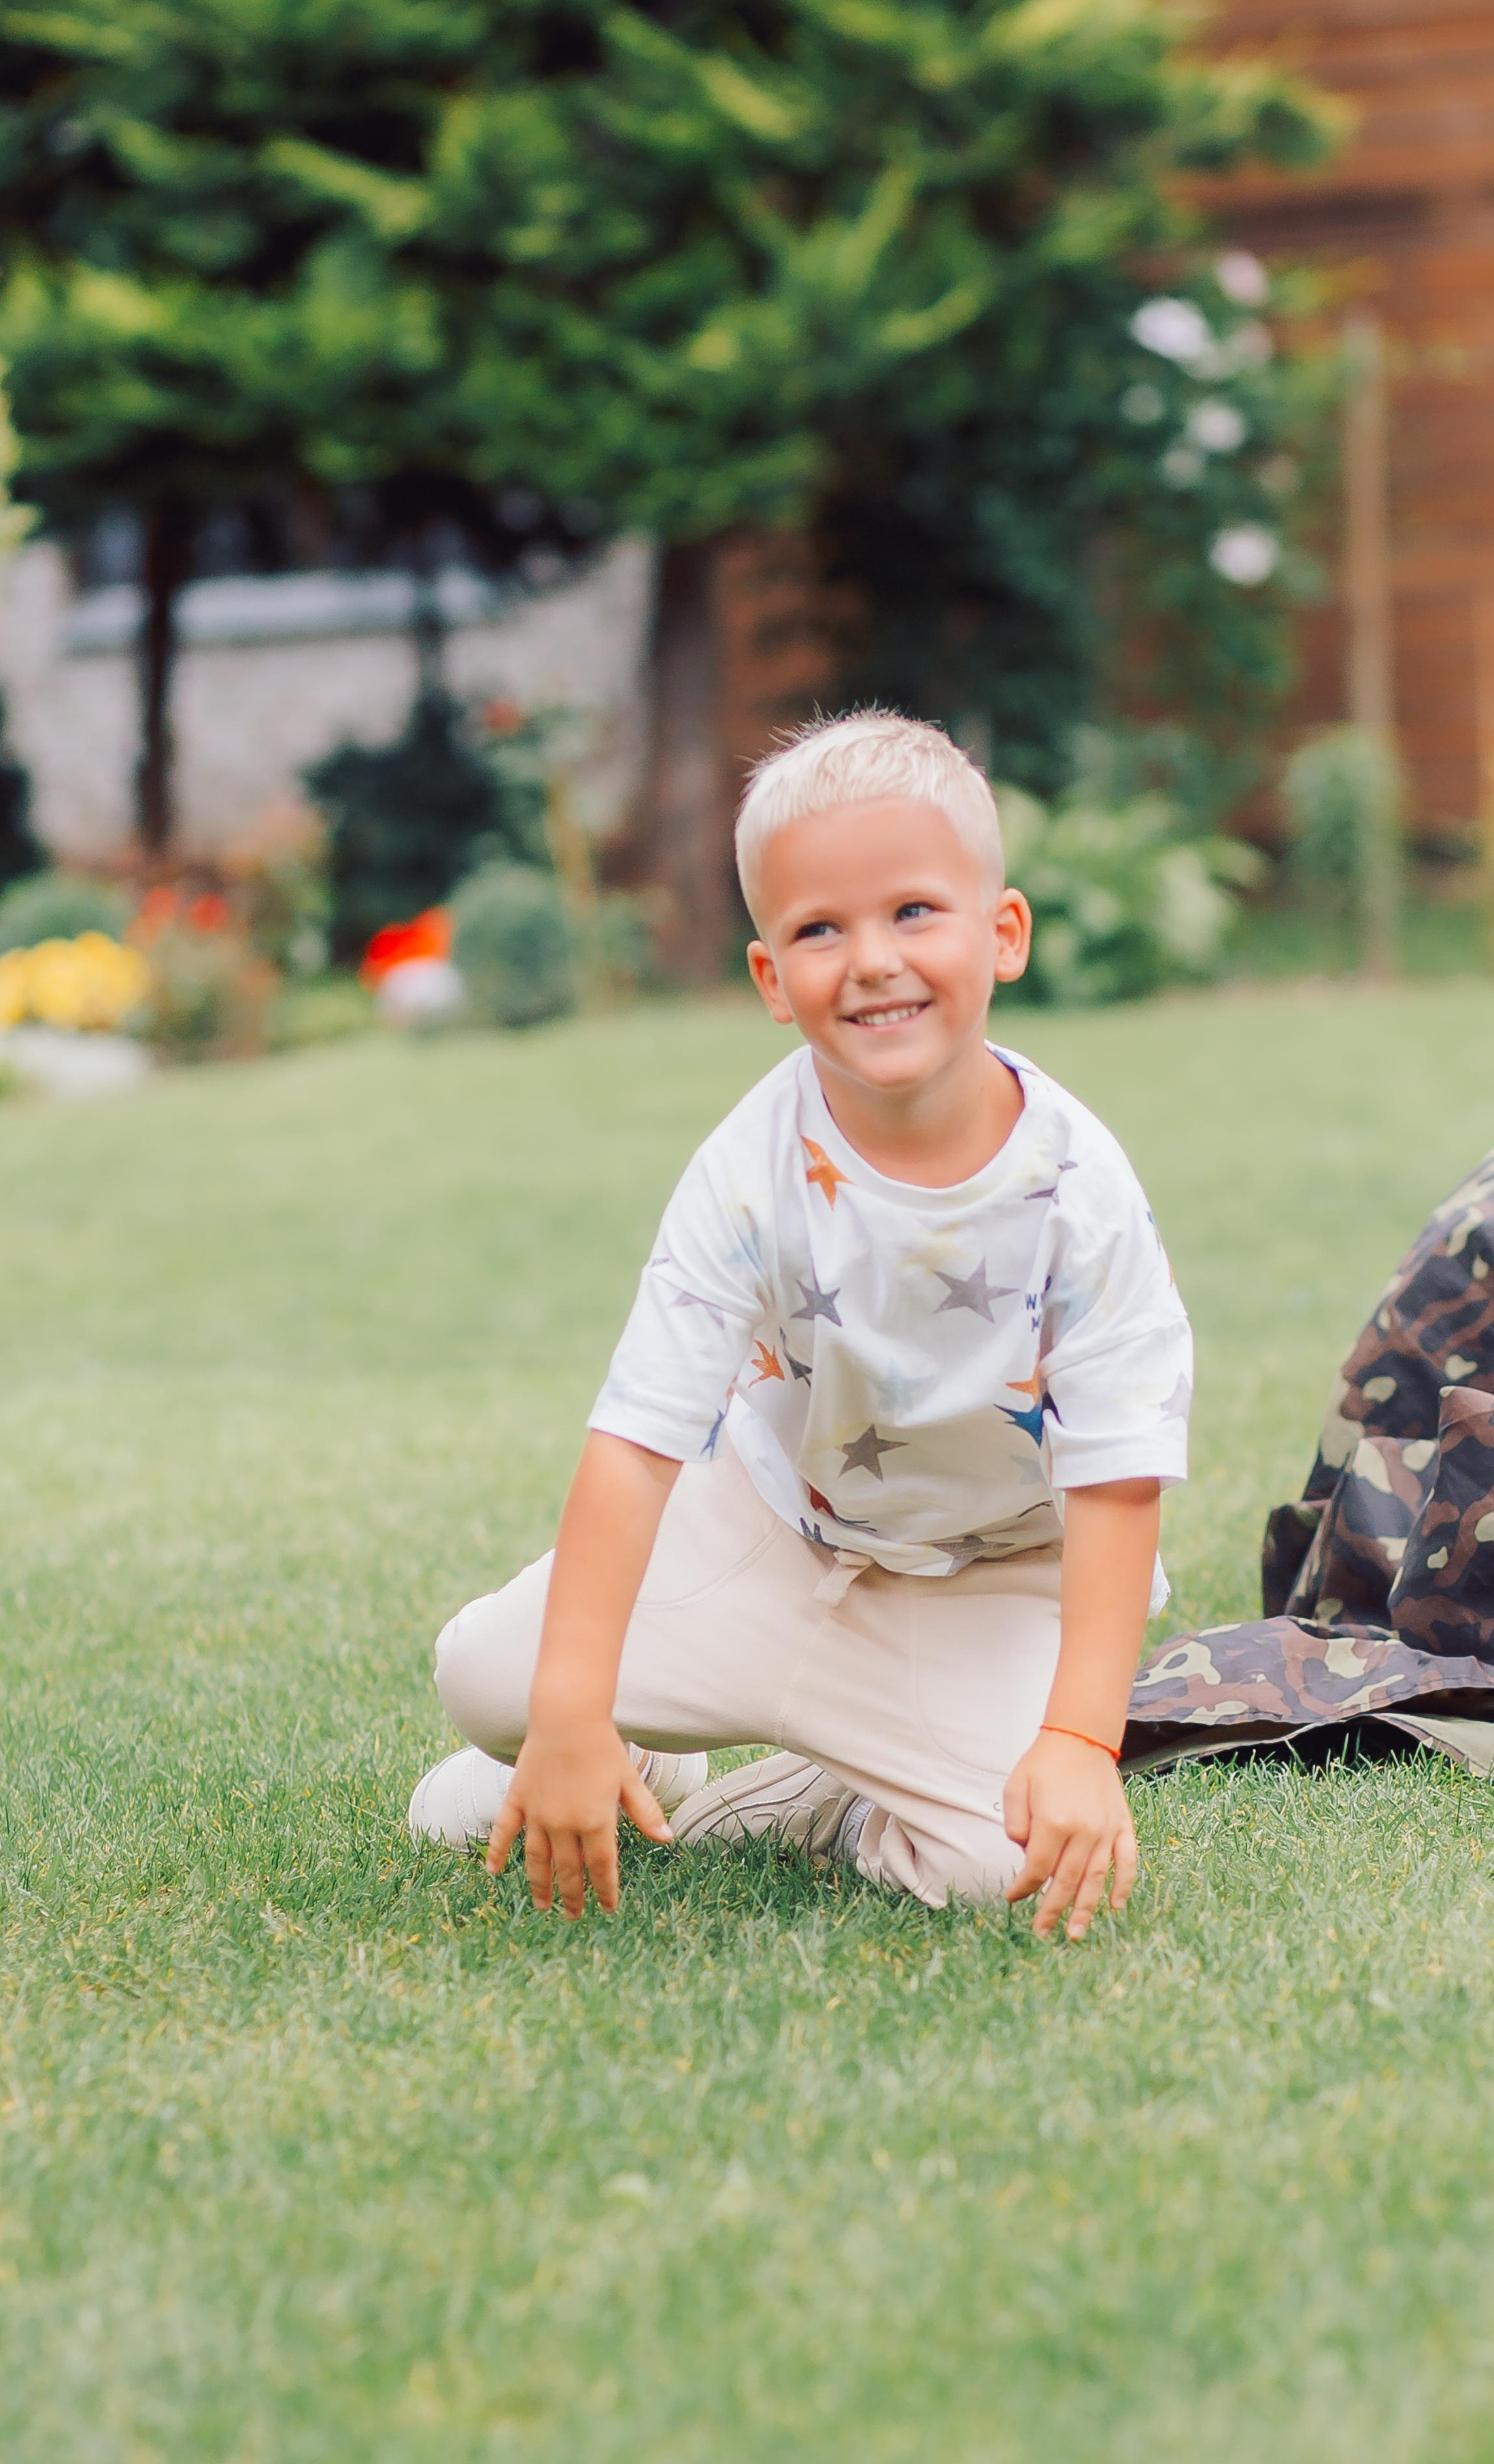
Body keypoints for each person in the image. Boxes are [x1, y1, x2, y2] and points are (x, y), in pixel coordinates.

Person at [407, 712, 1191, 1940]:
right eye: (820, 928)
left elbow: (1118, 1476)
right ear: (774, 980)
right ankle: (639, 1763)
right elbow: (637, 1441)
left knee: (1002, 1865)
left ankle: (831, 1796)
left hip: (996, 1582)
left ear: (1005, 934)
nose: (872, 959)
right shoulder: (747, 1171)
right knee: (489, 1676)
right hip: (772, 1531)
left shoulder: (1079, 1193)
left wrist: (1081, 1739)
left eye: (914, 913)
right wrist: (569, 1714)